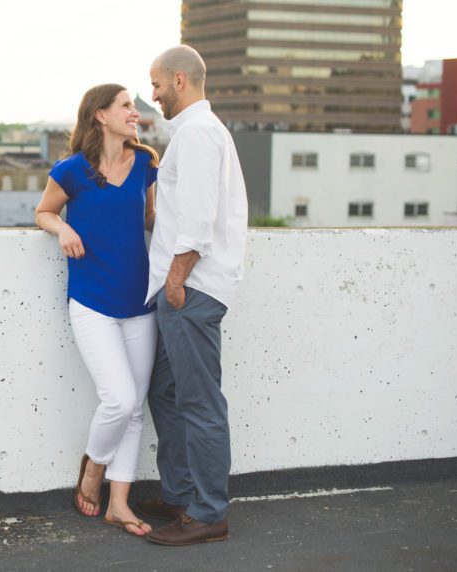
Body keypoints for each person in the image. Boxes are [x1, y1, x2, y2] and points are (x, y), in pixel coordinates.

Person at [35, 83, 160, 538]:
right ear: (100, 116)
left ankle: (119, 505)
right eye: (127, 106)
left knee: (134, 409)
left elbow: (148, 218)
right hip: (91, 301)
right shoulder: (71, 170)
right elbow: (44, 211)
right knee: (119, 399)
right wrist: (60, 229)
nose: (136, 113)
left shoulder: (146, 162)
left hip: (139, 302)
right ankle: (94, 469)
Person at [135, 45, 248, 546]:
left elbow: (200, 221)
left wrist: (177, 280)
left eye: (156, 84)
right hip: (180, 286)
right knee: (165, 389)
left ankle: (207, 513)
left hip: (191, 289)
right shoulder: (194, 134)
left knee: (200, 403)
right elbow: (186, 211)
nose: (152, 94)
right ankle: (182, 493)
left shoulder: (199, 134)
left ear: (179, 80)